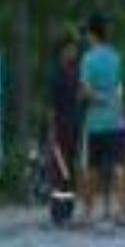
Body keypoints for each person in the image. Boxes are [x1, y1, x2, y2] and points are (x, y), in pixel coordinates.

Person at [80, 13, 125, 225]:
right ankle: (121, 210)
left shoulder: (88, 59)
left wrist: (96, 98)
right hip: (117, 119)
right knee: (119, 165)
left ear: (92, 34)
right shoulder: (116, 57)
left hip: (96, 123)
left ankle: (88, 212)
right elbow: (120, 88)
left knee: (92, 167)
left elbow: (85, 90)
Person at [46, 35, 81, 225]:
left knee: (71, 170)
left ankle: (68, 209)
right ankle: (57, 212)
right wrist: (51, 129)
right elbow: (51, 105)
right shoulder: (55, 74)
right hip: (60, 128)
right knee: (60, 170)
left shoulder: (75, 72)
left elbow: (79, 97)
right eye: (70, 50)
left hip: (74, 127)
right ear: (62, 52)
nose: (73, 53)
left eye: (75, 50)